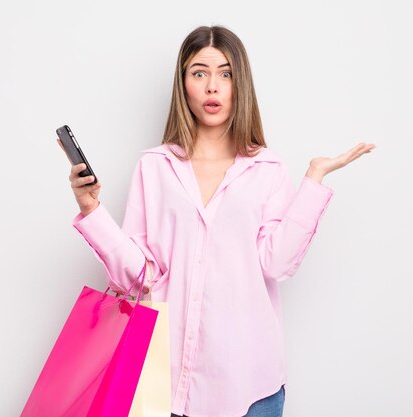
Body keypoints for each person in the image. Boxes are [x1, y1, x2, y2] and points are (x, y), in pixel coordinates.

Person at [59, 25, 375, 417]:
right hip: (164, 380)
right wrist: (92, 211)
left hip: (249, 383)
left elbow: (276, 264)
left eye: (225, 74)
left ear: (239, 85)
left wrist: (312, 180)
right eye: (199, 73)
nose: (213, 87)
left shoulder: (268, 169)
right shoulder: (155, 167)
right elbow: (139, 277)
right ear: (183, 84)